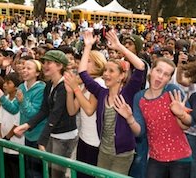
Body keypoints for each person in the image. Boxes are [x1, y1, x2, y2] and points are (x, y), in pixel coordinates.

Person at [78, 30, 145, 175]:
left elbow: (140, 67)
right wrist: (88, 47)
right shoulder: (101, 93)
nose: (106, 74)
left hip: (123, 154)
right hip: (104, 151)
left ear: (121, 76)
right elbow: (83, 72)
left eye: (111, 71)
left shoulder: (127, 93)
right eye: (105, 71)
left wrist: (119, 46)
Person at [114, 57, 192, 178]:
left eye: (166, 74)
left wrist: (181, 114)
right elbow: (139, 132)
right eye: (158, 71)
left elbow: (189, 123)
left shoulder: (173, 91)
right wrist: (129, 118)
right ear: (151, 71)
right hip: (156, 158)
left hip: (180, 158)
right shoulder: (139, 97)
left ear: (169, 79)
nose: (160, 76)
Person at [14, 50, 78, 178]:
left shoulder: (64, 86)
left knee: (57, 174)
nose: (45, 65)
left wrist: (42, 139)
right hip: (53, 134)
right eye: (44, 62)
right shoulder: (49, 85)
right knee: (50, 172)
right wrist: (27, 125)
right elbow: (44, 110)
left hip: (64, 136)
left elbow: (56, 114)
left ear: (60, 66)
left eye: (49, 62)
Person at [0, 59, 46, 178]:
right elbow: (14, 109)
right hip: (27, 134)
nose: (24, 70)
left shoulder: (41, 88)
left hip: (38, 134)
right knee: (28, 169)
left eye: (29, 68)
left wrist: (22, 101)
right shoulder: (21, 86)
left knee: (36, 171)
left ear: (37, 73)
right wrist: (2, 98)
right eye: (24, 68)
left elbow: (33, 114)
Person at [64, 50, 107, 178]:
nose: (82, 65)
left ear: (98, 65)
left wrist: (75, 88)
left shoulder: (99, 83)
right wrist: (69, 92)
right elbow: (72, 111)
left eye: (88, 61)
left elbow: (89, 110)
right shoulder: (85, 85)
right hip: (84, 138)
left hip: (95, 142)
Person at [0, 72, 23, 178]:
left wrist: (7, 137)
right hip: (3, 139)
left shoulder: (19, 100)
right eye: (5, 82)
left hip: (15, 141)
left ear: (16, 86)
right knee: (6, 169)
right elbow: (0, 119)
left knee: (15, 170)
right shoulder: (5, 98)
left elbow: (18, 122)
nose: (5, 85)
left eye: (8, 83)